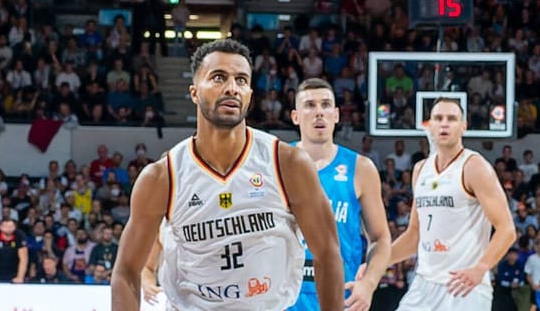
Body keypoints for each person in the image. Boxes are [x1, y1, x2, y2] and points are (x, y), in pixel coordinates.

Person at [110, 38, 345, 311]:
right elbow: (126, 271)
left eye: (242, 80)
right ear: (194, 92)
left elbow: (327, 253)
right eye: (219, 77)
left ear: (249, 95)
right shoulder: (162, 177)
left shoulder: (287, 164)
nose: (232, 88)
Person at [386, 98, 518, 311]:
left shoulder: (474, 167)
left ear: (463, 126)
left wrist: (481, 268)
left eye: (452, 118)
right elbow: (413, 235)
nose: (444, 123)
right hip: (424, 284)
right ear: (430, 125)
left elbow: (507, 229)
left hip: (464, 287)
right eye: (438, 118)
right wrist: (377, 264)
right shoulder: (420, 169)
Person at [290, 78, 392, 311]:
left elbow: (381, 238)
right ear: (295, 116)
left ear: (336, 115)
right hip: (286, 298)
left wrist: (369, 283)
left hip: (340, 298)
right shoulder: (277, 163)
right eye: (310, 105)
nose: (319, 113)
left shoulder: (361, 168)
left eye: (325, 105)